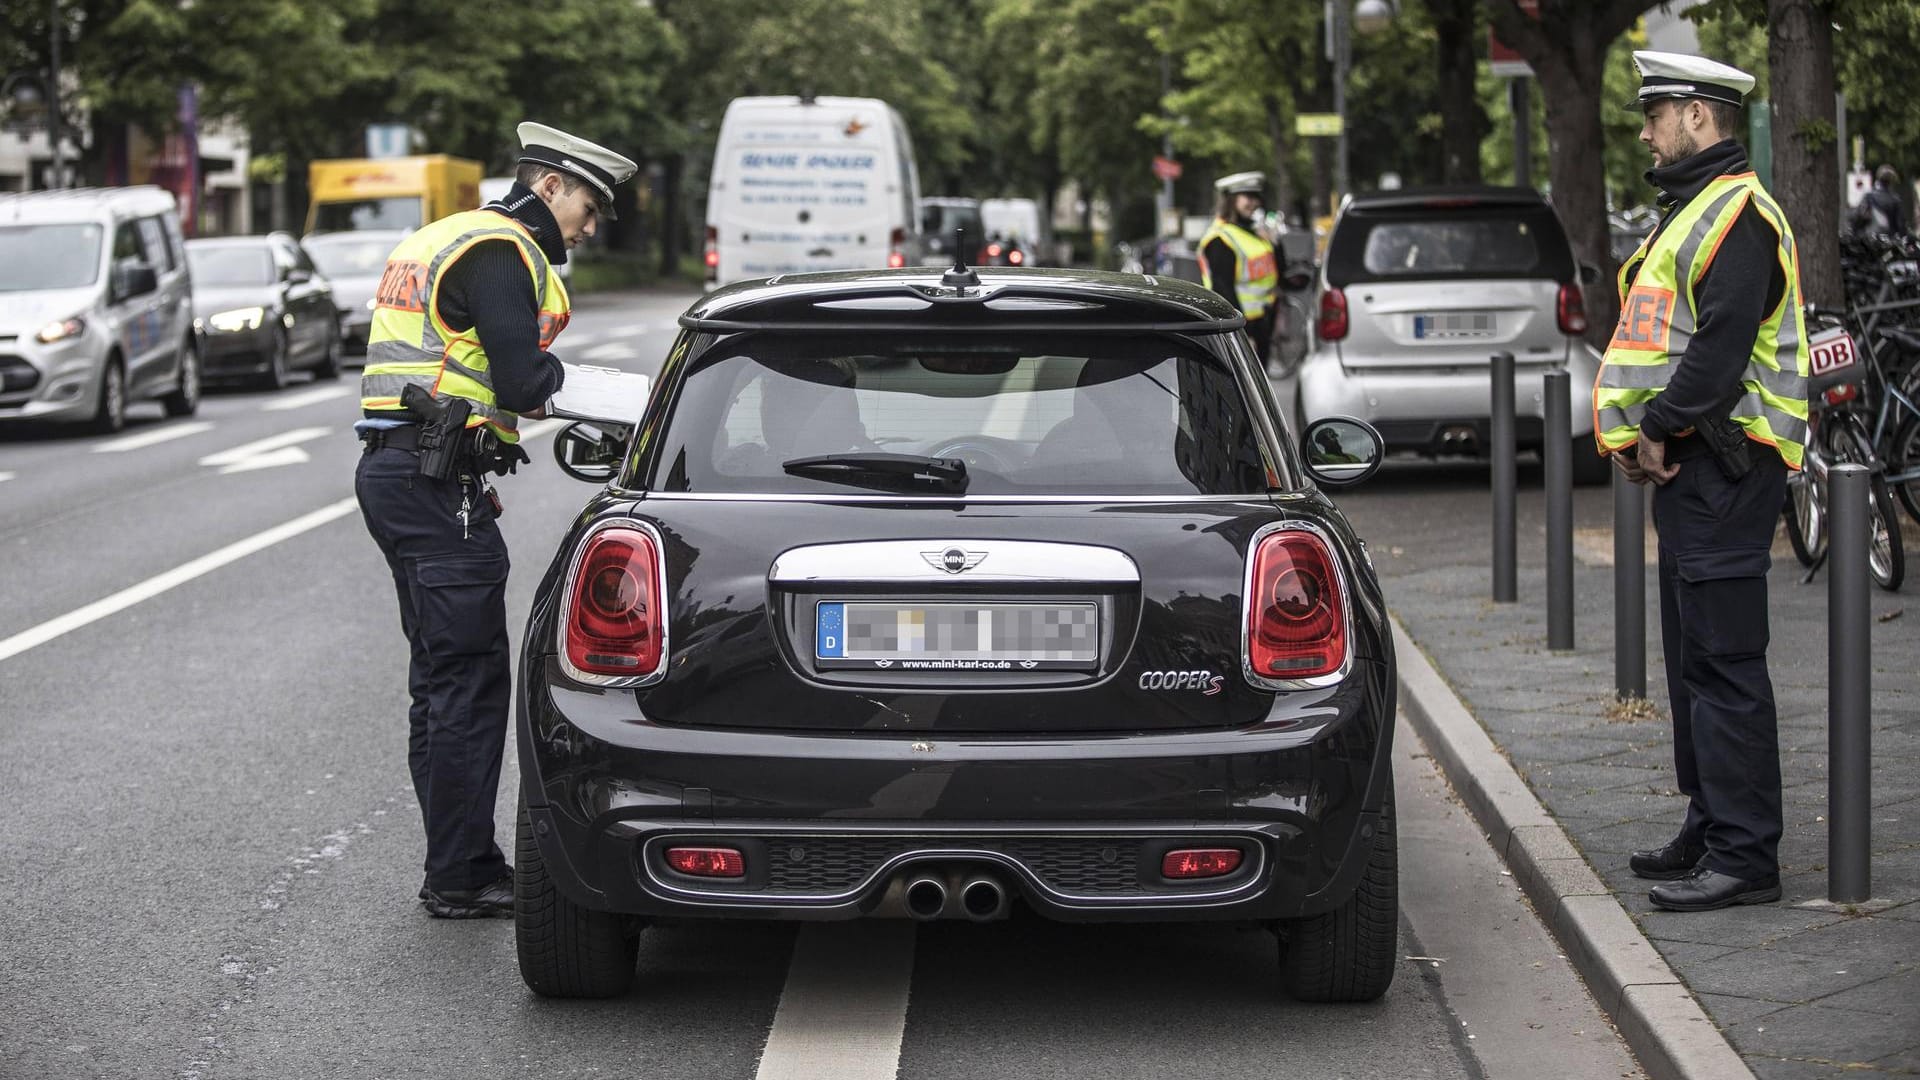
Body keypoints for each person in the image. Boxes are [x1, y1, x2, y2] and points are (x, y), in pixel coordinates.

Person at [355, 122, 636, 919]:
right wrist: (631, 403)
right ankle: (461, 875)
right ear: (549, 186)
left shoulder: (443, 236)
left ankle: (458, 862)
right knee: (470, 683)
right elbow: (520, 379)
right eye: (588, 204)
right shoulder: (503, 250)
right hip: (433, 480)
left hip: (405, 472)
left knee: (441, 682)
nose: (592, 223)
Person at [1595, 52, 1809, 913]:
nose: (1646, 132)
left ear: (1697, 115)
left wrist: (1652, 427)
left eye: (1655, 114)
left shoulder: (1738, 217)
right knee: (1693, 663)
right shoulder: (1694, 212)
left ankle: (1747, 856)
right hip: (1694, 471)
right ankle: (1709, 822)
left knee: (1724, 664)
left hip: (1724, 463)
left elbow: (1718, 356)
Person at [1199, 171, 1279, 366]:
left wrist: (1276, 242)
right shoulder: (1221, 239)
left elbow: (1276, 272)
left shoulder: (1253, 233)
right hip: (1243, 328)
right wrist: (1242, 334)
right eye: (1248, 197)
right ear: (1232, 200)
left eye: (1256, 198)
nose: (1254, 203)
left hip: (1263, 323)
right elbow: (1224, 289)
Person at [1850, 164, 1909, 238]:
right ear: (1891, 182)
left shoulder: (1869, 197)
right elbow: (1901, 225)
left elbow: (1856, 217)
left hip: (1869, 240)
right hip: (1889, 241)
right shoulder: (1895, 200)